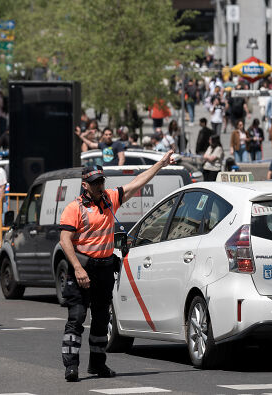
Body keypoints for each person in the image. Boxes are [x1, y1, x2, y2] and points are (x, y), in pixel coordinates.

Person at [58, 152, 175, 382]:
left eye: (101, 181)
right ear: (85, 185)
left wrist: (160, 164)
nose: (100, 186)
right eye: (95, 183)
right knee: (77, 317)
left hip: (103, 268)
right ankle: (71, 367)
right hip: (82, 268)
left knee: (102, 319)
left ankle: (97, 364)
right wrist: (78, 269)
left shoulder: (110, 199)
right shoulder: (75, 208)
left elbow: (136, 183)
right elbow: (65, 240)